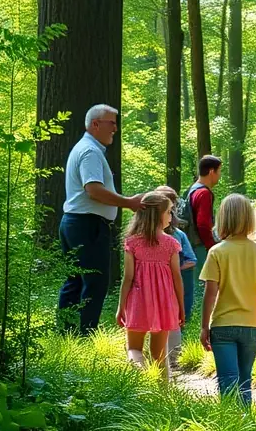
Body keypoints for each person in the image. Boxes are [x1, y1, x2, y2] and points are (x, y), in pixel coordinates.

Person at [58, 105, 143, 335]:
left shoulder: (86, 148)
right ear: (95, 124)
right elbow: (93, 189)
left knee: (75, 280)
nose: (116, 128)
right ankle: (86, 335)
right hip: (88, 225)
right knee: (94, 282)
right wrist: (129, 202)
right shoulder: (90, 152)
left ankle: (67, 334)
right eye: (111, 123)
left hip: (76, 223)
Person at [200, 194, 256, 405]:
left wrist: (204, 326)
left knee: (227, 381)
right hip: (253, 325)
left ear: (222, 219)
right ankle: (247, 427)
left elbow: (210, 293)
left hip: (223, 325)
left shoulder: (217, 252)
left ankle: (231, 428)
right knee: (245, 380)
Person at [115, 190, 184, 381]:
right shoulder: (171, 243)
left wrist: (121, 307)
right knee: (159, 354)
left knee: (134, 349)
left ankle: (140, 378)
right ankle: (163, 395)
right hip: (165, 304)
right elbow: (176, 277)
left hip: (137, 302)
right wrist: (180, 307)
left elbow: (127, 278)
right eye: (169, 211)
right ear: (158, 214)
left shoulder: (132, 243)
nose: (172, 216)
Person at [155, 185, 197, 376]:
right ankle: (157, 359)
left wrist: (172, 270)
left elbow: (191, 260)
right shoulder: (143, 238)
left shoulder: (178, 236)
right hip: (153, 287)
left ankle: (174, 359)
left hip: (171, 286)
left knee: (172, 319)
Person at [182, 155, 222, 278]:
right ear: (211, 171)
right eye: (219, 171)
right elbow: (203, 225)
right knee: (203, 284)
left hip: (190, 245)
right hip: (200, 247)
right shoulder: (203, 193)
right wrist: (212, 247)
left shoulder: (192, 189)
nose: (220, 175)